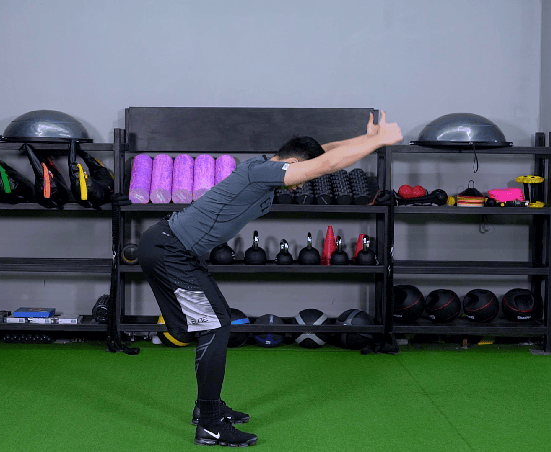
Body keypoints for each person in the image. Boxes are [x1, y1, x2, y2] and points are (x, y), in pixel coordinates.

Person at [137, 111, 403, 447]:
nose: (301, 184)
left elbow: (322, 152)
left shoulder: (265, 166)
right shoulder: (261, 172)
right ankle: (209, 424)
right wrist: (380, 142)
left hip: (176, 250)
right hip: (169, 251)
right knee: (214, 328)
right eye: (301, 175)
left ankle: (207, 408)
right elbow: (325, 164)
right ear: (291, 163)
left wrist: (367, 139)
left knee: (218, 322)